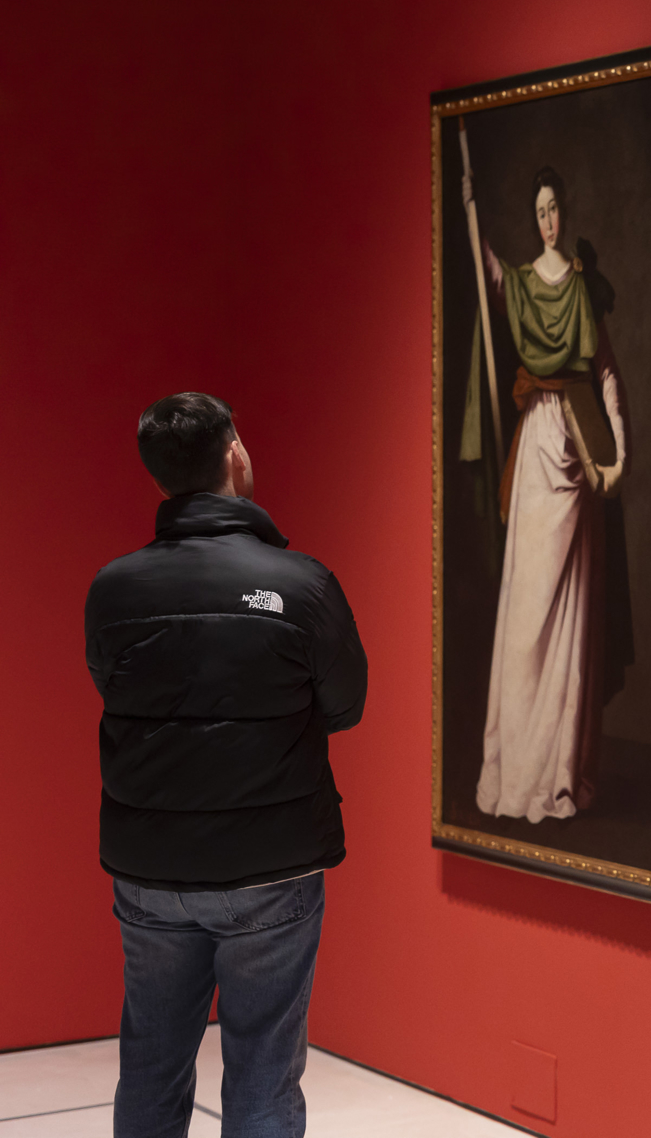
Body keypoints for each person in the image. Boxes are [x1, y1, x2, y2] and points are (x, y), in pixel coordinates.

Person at [86, 393, 367, 1137]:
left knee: (150, 1067)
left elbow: (110, 686)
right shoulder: (303, 584)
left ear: (158, 477)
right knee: (264, 1077)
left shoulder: (113, 589)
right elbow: (346, 705)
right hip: (271, 867)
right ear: (235, 452)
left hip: (149, 868)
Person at [459, 165, 628, 822]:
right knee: (526, 613)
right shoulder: (524, 285)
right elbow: (492, 275)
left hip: (577, 447)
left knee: (571, 616)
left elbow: (606, 371)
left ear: (565, 212)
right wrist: (470, 214)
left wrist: (618, 451)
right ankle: (517, 769)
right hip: (535, 450)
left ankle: (558, 771)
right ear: (533, 220)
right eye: (540, 212)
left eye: (555, 208)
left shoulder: (581, 288)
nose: (549, 221)